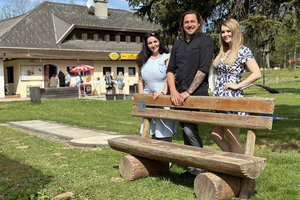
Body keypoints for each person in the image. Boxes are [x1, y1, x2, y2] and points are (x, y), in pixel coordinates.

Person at [166, 10, 214, 175]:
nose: (190, 24)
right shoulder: (177, 45)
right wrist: (173, 91)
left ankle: (199, 166)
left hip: (196, 94)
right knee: (185, 127)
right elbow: (170, 70)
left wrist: (188, 92)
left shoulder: (205, 41)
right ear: (182, 25)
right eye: (186, 22)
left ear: (199, 23)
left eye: (193, 21)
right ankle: (193, 167)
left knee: (189, 128)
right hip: (178, 95)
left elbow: (203, 69)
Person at [211, 19, 261, 154]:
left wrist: (238, 86)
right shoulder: (223, 51)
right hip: (218, 99)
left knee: (232, 136)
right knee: (216, 136)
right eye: (222, 32)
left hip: (232, 98)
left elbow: (257, 73)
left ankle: (237, 168)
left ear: (236, 32)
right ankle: (234, 164)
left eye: (228, 31)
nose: (225, 34)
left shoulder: (243, 50)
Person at [137, 31, 176, 142]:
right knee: (146, 135)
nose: (153, 45)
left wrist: (163, 92)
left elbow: (170, 78)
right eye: (150, 43)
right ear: (146, 45)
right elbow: (140, 81)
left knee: (164, 135)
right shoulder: (142, 60)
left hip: (162, 99)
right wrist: (141, 98)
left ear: (159, 42)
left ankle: (165, 159)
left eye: (155, 41)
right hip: (146, 99)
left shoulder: (167, 57)